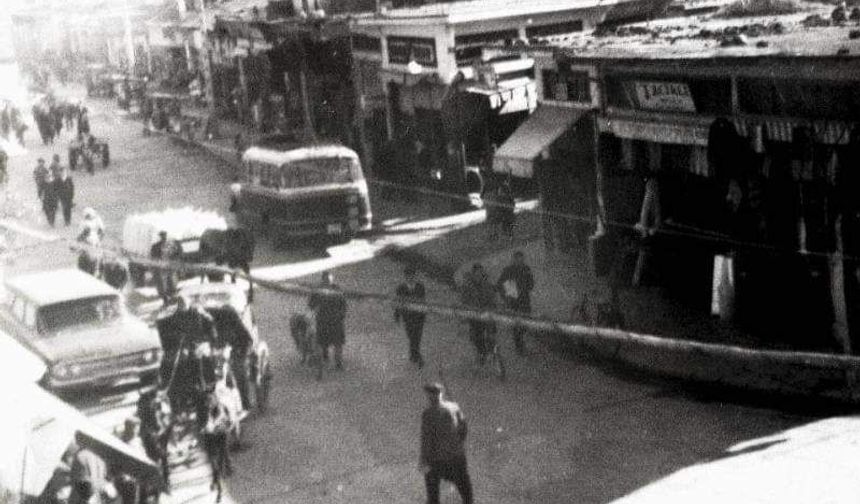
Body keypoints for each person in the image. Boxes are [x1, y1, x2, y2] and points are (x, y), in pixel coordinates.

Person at [419, 382, 473, 504]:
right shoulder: (454, 406)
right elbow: (463, 427)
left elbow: (427, 438)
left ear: (428, 396)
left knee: (432, 488)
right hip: (457, 455)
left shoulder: (428, 413)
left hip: (438, 458)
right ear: (441, 394)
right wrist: (458, 443)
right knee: (464, 484)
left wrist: (423, 459)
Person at [496, 251, 534, 355]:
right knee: (517, 324)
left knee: (526, 321)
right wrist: (506, 296)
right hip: (514, 302)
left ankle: (521, 340)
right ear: (513, 260)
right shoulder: (508, 271)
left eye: (521, 259)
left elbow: (531, 284)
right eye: (517, 260)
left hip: (525, 300)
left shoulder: (526, 269)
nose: (520, 262)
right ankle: (519, 346)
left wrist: (525, 286)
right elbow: (499, 285)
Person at [308, 270, 348, 370]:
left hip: (323, 319)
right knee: (338, 342)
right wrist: (341, 315)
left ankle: (323, 357)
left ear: (322, 279)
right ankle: (338, 363)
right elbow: (344, 305)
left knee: (321, 340)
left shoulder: (317, 290)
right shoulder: (337, 289)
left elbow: (311, 305)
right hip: (336, 319)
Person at [460, 263, 497, 365]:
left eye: (481, 272)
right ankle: (481, 353)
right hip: (474, 314)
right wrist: (468, 311)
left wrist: (493, 307)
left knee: (491, 333)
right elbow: (464, 299)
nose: (479, 275)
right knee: (477, 336)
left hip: (487, 312)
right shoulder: (467, 285)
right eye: (477, 272)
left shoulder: (487, 284)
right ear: (473, 273)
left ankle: (492, 353)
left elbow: (492, 297)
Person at [201, 394, 232, 503]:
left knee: (219, 463)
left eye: (211, 403)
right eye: (208, 403)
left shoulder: (222, 409)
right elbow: (205, 425)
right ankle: (217, 481)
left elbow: (227, 421)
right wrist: (206, 429)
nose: (209, 405)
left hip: (221, 438)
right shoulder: (207, 412)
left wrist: (217, 426)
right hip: (211, 441)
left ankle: (219, 490)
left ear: (216, 401)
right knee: (214, 465)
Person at [394, 265, 427, 368]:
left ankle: (415, 355)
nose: (410, 277)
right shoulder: (400, 288)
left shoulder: (420, 287)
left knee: (417, 336)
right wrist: (397, 315)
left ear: (415, 276)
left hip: (419, 315)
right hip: (407, 316)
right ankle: (416, 355)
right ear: (405, 277)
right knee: (412, 335)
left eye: (412, 275)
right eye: (408, 276)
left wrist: (424, 313)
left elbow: (423, 300)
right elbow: (398, 302)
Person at [150, 231, 180, 303]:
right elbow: (153, 257)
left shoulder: (171, 245)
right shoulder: (156, 246)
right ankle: (165, 300)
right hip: (161, 268)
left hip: (170, 267)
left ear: (166, 235)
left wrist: (174, 262)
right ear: (160, 236)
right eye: (162, 236)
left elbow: (176, 254)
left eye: (165, 235)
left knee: (172, 283)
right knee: (162, 285)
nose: (164, 237)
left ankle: (173, 298)